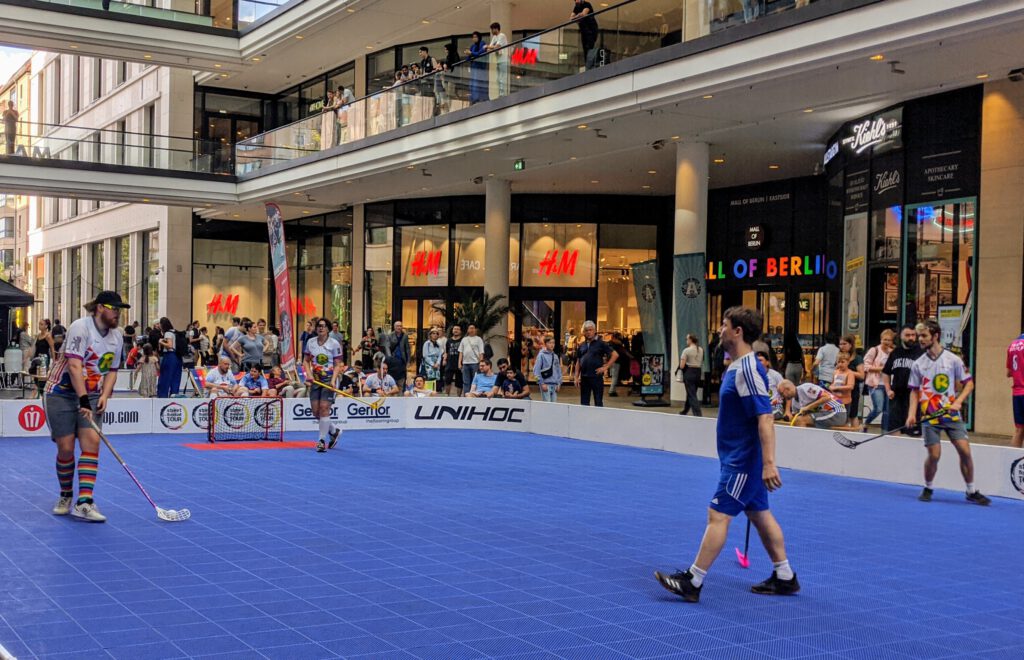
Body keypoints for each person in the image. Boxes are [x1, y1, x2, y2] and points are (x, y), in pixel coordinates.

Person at [654, 306, 797, 602]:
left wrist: (769, 463)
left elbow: (765, 417)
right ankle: (785, 576)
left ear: (737, 331)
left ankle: (693, 581)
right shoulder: (738, 366)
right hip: (740, 457)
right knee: (759, 513)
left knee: (718, 514)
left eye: (723, 324)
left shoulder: (746, 369)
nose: (719, 329)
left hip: (742, 461)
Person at [45, 290, 128, 523]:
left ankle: (84, 502)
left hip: (91, 394)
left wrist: (105, 395)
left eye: (119, 310)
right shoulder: (80, 327)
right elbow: (73, 366)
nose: (118, 314)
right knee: (66, 448)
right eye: (114, 309)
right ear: (100, 307)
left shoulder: (117, 336)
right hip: (60, 393)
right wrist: (81, 399)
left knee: (91, 444)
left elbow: (112, 370)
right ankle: (65, 495)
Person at [907, 319, 990, 505]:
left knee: (965, 451)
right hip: (929, 415)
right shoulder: (918, 364)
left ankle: (971, 490)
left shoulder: (953, 360)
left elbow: (969, 383)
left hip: (951, 415)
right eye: (919, 335)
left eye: (924, 336)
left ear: (935, 336)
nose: (920, 339)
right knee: (934, 455)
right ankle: (928, 487)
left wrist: (959, 401)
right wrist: (911, 414)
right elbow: (914, 391)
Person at [303, 318, 344, 453]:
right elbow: (306, 361)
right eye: (319, 326)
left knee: (324, 408)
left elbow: (338, 364)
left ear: (328, 329)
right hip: (315, 380)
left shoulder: (334, 344)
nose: (321, 328)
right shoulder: (310, 342)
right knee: (316, 412)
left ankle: (321, 441)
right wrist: (308, 374)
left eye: (323, 326)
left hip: (329, 380)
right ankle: (334, 431)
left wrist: (333, 380)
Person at [883, 324, 924, 435]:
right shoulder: (895, 353)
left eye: (913, 335)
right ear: (900, 336)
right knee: (894, 430)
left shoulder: (920, 352)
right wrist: (888, 389)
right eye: (907, 335)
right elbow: (886, 372)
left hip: (914, 396)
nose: (911, 338)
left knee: (912, 432)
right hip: (896, 396)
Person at [574, 320, 618, 407]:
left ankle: (598, 419)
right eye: (586, 330)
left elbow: (615, 355)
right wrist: (576, 377)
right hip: (584, 378)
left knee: (598, 402)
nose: (589, 332)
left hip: (596, 377)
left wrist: (605, 367)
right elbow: (578, 361)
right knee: (584, 403)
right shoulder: (582, 345)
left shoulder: (601, 343)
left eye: (590, 330)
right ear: (584, 332)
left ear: (594, 331)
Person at [777, 380, 847, 428]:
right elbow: (795, 418)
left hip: (837, 412)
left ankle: (803, 445)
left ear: (787, 389)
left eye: (782, 394)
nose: (782, 396)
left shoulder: (806, 388)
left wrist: (807, 407)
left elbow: (827, 397)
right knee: (798, 420)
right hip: (825, 413)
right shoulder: (794, 403)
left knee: (801, 420)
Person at [862, 329, 895, 432]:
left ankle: (884, 432)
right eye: (885, 339)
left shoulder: (893, 352)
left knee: (887, 411)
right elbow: (866, 366)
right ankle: (865, 423)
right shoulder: (874, 350)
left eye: (889, 340)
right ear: (881, 339)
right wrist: (882, 369)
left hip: (888, 384)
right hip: (875, 383)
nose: (887, 342)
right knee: (879, 408)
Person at [838, 335, 864, 426]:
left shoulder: (857, 358)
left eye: (844, 344)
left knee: (853, 414)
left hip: (853, 390)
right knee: (840, 414)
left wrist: (849, 372)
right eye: (840, 344)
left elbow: (861, 375)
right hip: (840, 390)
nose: (842, 346)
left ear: (851, 345)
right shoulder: (839, 357)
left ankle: (855, 434)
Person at [156, 317, 182, 398]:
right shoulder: (175, 332)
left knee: (165, 378)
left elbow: (170, 345)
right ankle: (174, 396)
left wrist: (160, 341)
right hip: (178, 357)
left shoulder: (167, 333)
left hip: (170, 356)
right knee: (175, 379)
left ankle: (162, 398)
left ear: (162, 324)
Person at [679, 334, 705, 417]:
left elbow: (681, 366)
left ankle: (698, 414)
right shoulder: (701, 350)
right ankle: (685, 410)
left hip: (689, 372)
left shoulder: (686, 350)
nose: (686, 341)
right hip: (698, 372)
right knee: (691, 392)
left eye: (687, 339)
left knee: (692, 394)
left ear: (690, 340)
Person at [570, 0, 599, 70]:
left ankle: (590, 65)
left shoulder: (587, 4)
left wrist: (577, 16)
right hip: (584, 31)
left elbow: (583, 14)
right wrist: (578, 16)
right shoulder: (576, 7)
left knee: (590, 47)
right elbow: (571, 18)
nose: (576, 1)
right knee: (585, 48)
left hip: (591, 30)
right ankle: (587, 65)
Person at [756, 350, 785, 420]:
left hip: (776, 406)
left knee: (765, 416)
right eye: (756, 361)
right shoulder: (753, 376)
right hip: (760, 406)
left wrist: (787, 411)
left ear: (767, 362)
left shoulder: (775, 375)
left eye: (760, 360)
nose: (758, 363)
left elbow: (786, 392)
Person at [458, 324, 486, 392]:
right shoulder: (464, 339)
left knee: (475, 380)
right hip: (465, 363)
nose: (472, 330)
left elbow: (481, 352)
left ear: (475, 330)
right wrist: (459, 363)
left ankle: (474, 394)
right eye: (470, 328)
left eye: (473, 328)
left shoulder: (479, 339)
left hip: (475, 363)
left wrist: (481, 363)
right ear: (467, 330)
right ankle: (466, 395)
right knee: (466, 381)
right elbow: (461, 352)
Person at [383, 321, 410, 388]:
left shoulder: (405, 336)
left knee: (402, 377)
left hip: (402, 359)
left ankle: (402, 391)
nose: (399, 327)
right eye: (397, 326)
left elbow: (407, 349)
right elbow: (387, 347)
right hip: (393, 360)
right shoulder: (390, 335)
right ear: (394, 327)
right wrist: (389, 358)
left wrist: (408, 361)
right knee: (392, 377)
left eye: (400, 326)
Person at [1009, 330, 1024, 448]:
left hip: (1017, 393)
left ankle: (1012, 461)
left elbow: (1009, 372)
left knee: (1019, 429)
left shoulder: (1013, 344)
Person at [486, 22, 509, 98]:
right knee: (498, 78)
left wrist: (488, 47)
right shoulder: (494, 37)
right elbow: (490, 47)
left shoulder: (502, 36)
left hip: (503, 60)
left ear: (496, 29)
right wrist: (489, 47)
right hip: (498, 60)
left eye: (492, 29)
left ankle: (503, 94)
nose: (492, 31)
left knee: (502, 77)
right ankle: (500, 93)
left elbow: (496, 46)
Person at [465, 31, 489, 104]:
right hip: (474, 67)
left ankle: (481, 98)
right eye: (473, 37)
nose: (474, 38)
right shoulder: (473, 46)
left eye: (475, 37)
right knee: (473, 84)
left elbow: (480, 53)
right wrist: (468, 54)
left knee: (479, 83)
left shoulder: (482, 43)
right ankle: (474, 99)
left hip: (480, 67)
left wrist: (471, 53)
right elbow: (468, 58)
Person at [608, 332, 632, 397]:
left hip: (612, 362)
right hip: (616, 362)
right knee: (615, 377)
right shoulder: (616, 345)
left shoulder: (610, 344)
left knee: (614, 376)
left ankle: (612, 390)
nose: (620, 340)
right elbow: (623, 351)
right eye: (619, 338)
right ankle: (612, 391)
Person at [442, 324, 464, 395]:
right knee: (447, 381)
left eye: (457, 329)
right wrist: (444, 360)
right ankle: (447, 396)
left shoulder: (463, 340)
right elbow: (446, 351)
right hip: (449, 363)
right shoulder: (449, 340)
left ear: (460, 331)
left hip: (459, 364)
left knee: (459, 382)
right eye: (454, 329)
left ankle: (458, 398)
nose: (456, 330)